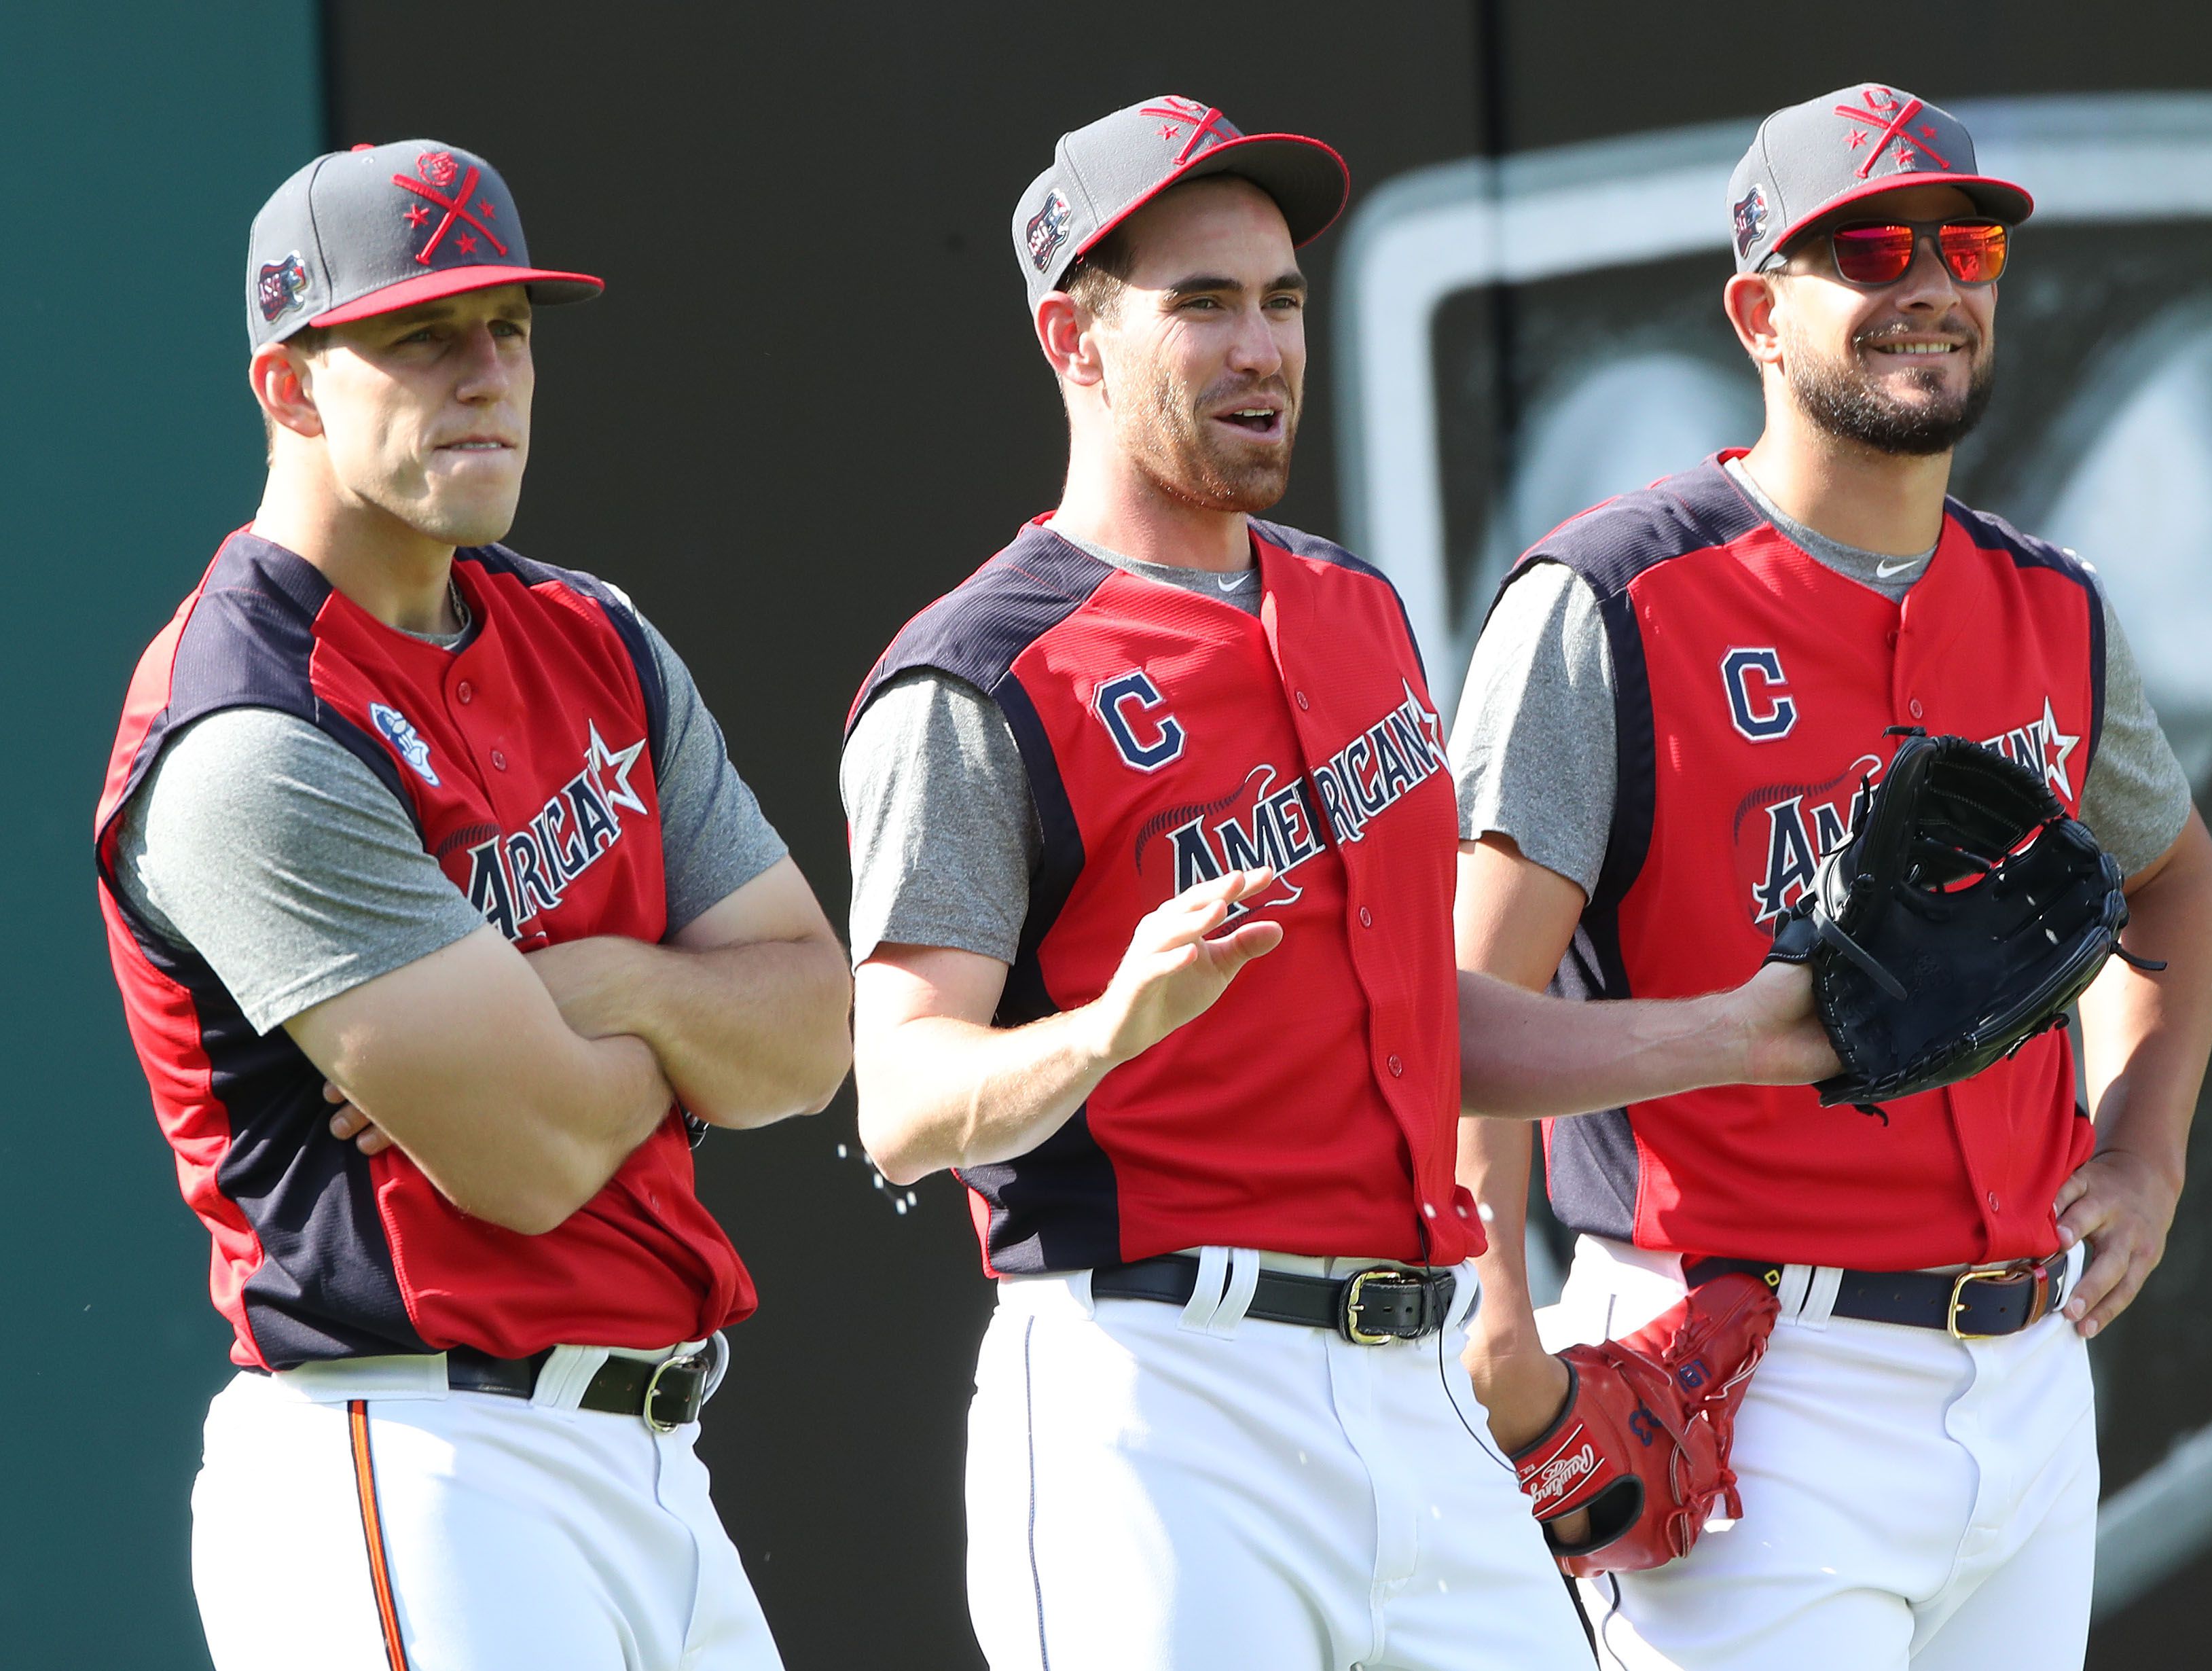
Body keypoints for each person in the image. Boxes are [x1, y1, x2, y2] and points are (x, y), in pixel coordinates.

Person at [841, 96, 1833, 1671]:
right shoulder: (976, 680)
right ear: (1072, 340)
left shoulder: (1353, 606)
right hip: (1159, 1403)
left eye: (1285, 300)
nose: (1263, 346)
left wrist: (1758, 1034)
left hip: (1417, 1384)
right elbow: (900, 1100)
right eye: (1204, 304)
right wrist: (1111, 1024)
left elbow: (1429, 1026)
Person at [1449, 84, 2212, 1670]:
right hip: (1740, 1371)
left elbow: (2178, 892)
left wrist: (2146, 1144)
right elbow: (1454, 1018)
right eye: (1869, 244)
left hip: (2022, 1376)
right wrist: (1507, 1343)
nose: (1930, 278)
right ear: (1758, 310)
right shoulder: (1614, 599)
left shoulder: (2050, 604)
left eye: (1967, 243)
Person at [94, 140, 851, 1670]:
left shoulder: (590, 633)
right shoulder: (248, 732)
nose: (485, 373)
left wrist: (610, 987)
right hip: (411, 1459)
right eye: (420, 334)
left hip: (653, 1456)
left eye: (508, 328)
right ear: (292, 387)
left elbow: (817, 1032)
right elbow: (534, 1154)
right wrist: (667, 1021)